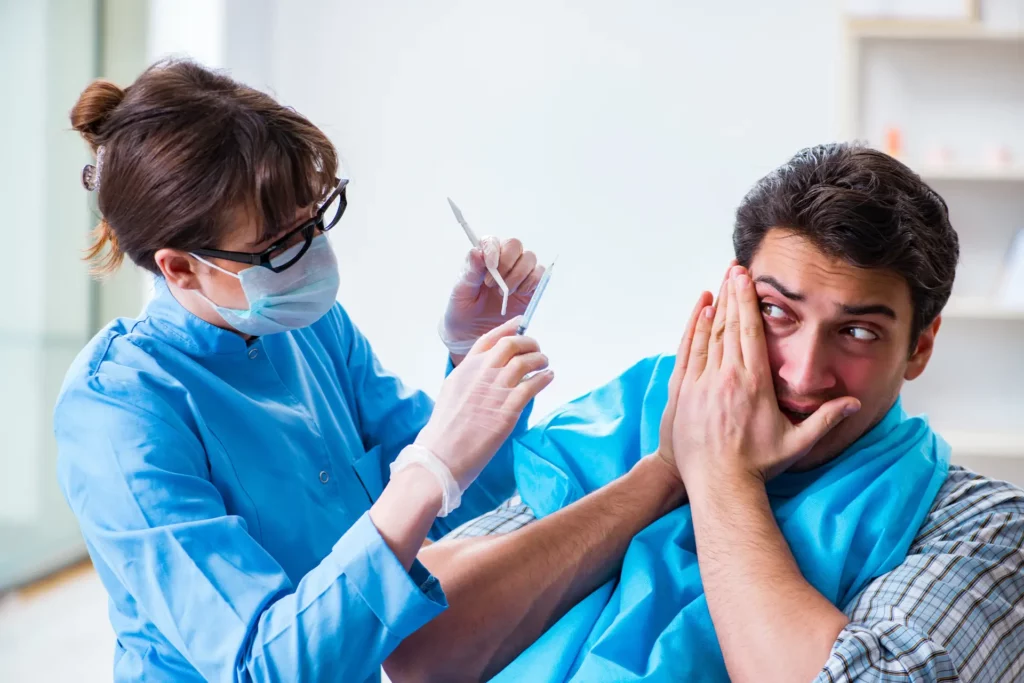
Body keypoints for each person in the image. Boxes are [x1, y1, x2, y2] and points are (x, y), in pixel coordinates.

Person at [384, 143, 1024, 682]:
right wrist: (666, 470)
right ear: (731, 302)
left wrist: (721, 477)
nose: (803, 372)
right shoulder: (633, 423)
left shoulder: (978, 526)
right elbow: (415, 645)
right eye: (777, 313)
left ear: (920, 346)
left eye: (857, 332)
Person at [54, 59, 555, 683]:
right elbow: (262, 667)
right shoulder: (118, 411)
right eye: (279, 244)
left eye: (315, 217)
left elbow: (459, 497)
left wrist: (473, 361)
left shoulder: (309, 327)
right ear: (180, 268)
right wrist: (424, 475)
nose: (314, 251)